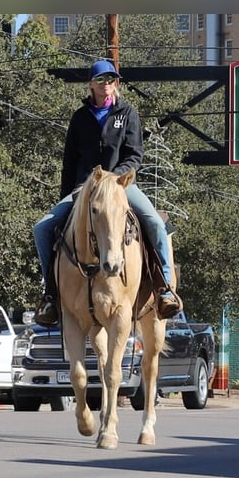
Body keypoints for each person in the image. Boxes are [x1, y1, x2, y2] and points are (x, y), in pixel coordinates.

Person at [33, 59, 182, 325]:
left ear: (117, 84)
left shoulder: (128, 114)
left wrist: (114, 179)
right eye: (101, 80)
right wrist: (66, 197)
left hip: (121, 186)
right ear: (91, 84)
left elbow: (135, 155)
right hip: (85, 189)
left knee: (156, 224)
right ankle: (50, 295)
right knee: (42, 228)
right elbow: (69, 162)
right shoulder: (79, 118)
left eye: (111, 79)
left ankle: (164, 290)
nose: (107, 85)